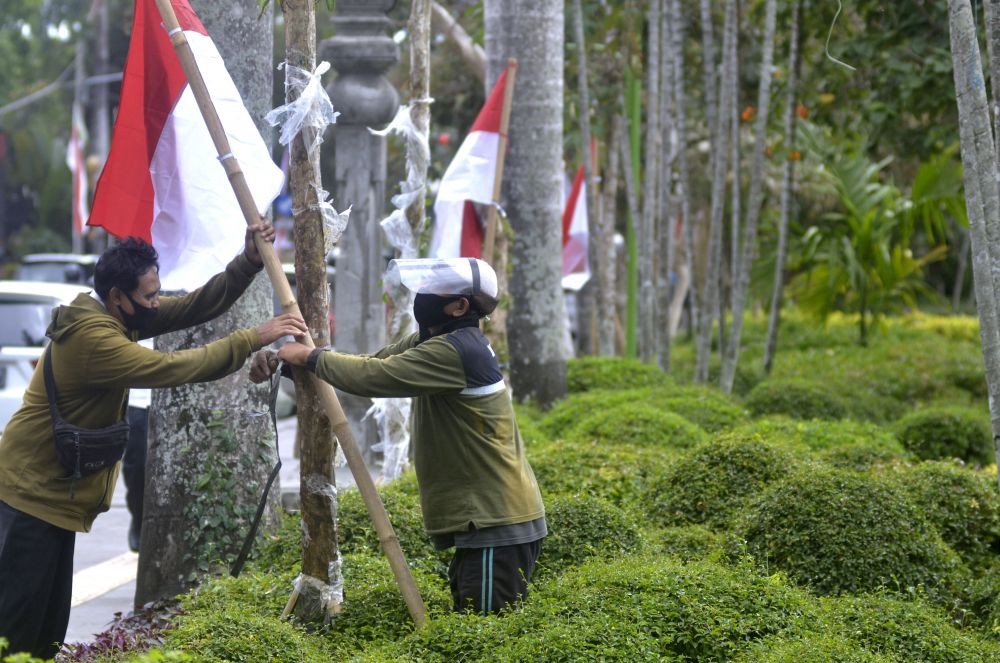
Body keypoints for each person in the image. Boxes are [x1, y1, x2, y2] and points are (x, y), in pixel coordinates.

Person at [0, 224, 307, 659]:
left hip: (53, 499)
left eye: (156, 293)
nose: (156, 304)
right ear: (117, 298)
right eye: (148, 297)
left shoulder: (115, 316)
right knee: (17, 630)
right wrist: (254, 336)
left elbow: (195, 306)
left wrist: (248, 264)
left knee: (46, 630)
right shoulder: (95, 338)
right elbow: (175, 367)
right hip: (29, 498)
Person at [250, 257, 546, 616]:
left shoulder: (455, 350)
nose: (421, 296)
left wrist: (310, 356)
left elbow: (375, 376)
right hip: (486, 520)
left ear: (459, 306)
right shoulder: (435, 339)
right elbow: (368, 362)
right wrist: (288, 363)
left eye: (432, 291)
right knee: (473, 624)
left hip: (497, 521)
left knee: (488, 633)